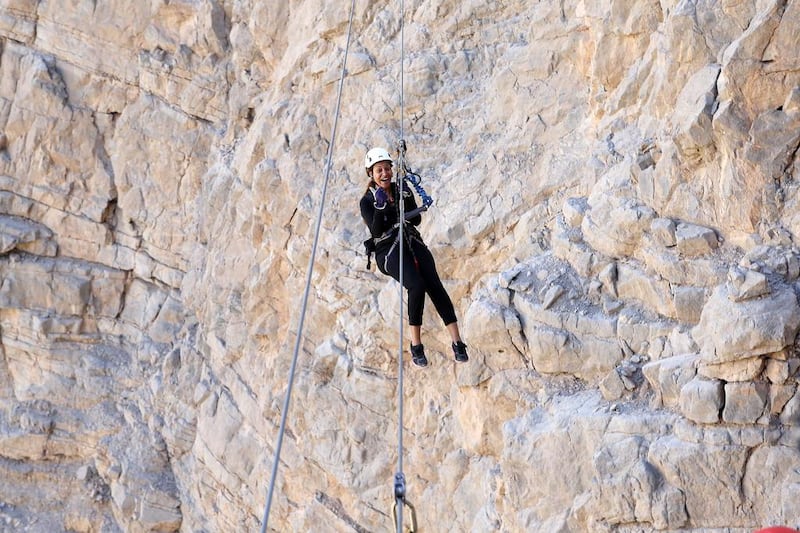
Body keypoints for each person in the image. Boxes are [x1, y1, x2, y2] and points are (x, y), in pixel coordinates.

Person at [359, 146, 468, 367]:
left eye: (387, 168)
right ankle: (416, 346)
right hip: (388, 250)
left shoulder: (401, 189)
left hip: (410, 239)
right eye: (379, 170)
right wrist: (381, 208)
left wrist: (407, 198)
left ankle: (457, 342)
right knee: (416, 285)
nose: (385, 174)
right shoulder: (367, 201)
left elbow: (416, 221)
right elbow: (377, 231)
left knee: (434, 285)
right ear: (371, 173)